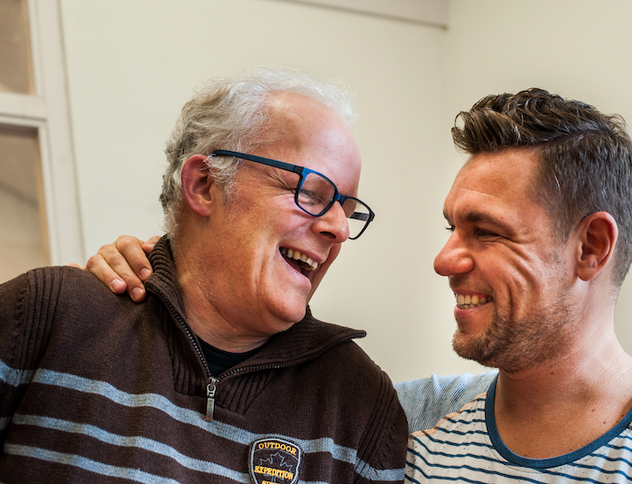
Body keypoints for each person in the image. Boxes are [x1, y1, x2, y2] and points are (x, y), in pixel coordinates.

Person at [90, 88, 632, 483]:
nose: (445, 260)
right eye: (452, 228)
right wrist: (163, 275)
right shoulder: (401, 421)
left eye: (486, 231)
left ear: (590, 248)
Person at [0, 66, 408, 483]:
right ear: (203, 184)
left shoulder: (362, 404)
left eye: (347, 211)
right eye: (310, 192)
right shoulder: (43, 315)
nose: (339, 229)